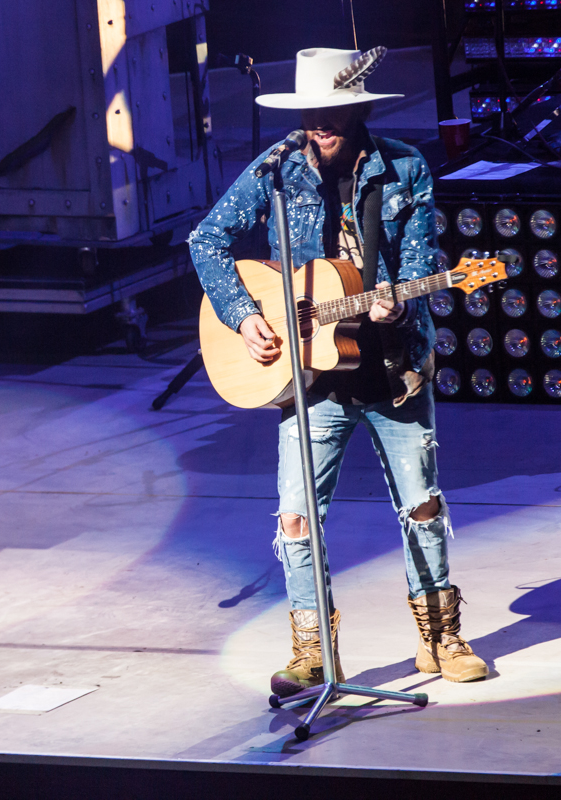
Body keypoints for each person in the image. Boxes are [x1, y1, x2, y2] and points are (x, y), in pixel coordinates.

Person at [189, 47, 487, 696]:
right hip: (309, 379)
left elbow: (420, 261)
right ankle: (313, 652)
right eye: (310, 115)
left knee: (423, 507)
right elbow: (205, 240)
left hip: (391, 366)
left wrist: (394, 301)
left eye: (331, 115)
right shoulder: (276, 171)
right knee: (295, 518)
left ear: (356, 112)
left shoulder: (403, 169)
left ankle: (440, 635)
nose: (318, 126)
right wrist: (244, 317)